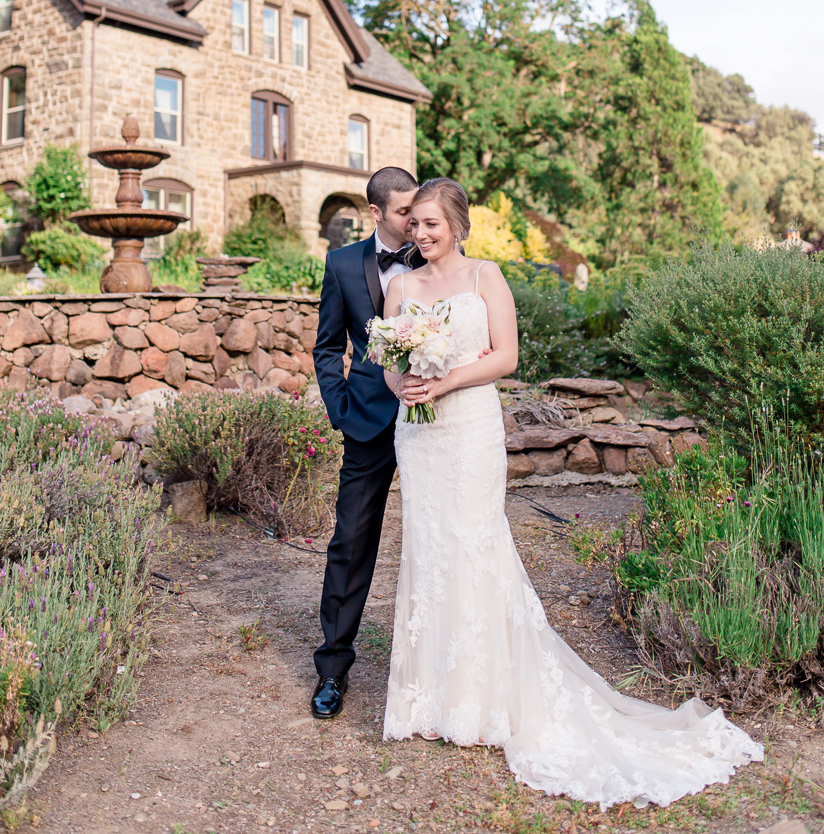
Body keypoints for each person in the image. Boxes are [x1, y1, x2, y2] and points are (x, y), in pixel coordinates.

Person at [382, 176, 764, 809]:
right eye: (413, 225)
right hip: (419, 435)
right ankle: (432, 698)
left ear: (457, 224)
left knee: (476, 543)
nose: (420, 235)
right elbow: (390, 357)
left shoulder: (486, 278)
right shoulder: (400, 286)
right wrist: (403, 383)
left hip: (469, 426)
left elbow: (505, 358)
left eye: (431, 224)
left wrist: (444, 380)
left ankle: (486, 699)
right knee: (427, 545)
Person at [310, 165, 423, 719]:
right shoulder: (342, 264)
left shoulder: (436, 253)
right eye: (405, 212)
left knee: (440, 539)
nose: (416, 222)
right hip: (366, 420)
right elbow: (328, 346)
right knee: (350, 540)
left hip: (434, 419)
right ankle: (332, 668)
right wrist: (339, 407)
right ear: (377, 213)